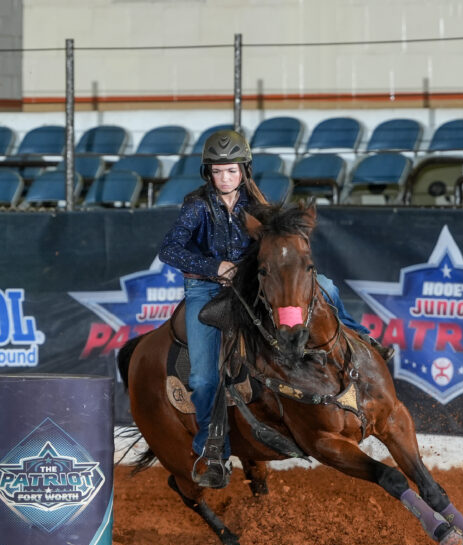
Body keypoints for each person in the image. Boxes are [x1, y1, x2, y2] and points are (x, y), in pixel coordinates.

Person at [158, 129, 390, 488]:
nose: (225, 178)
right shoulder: (196, 206)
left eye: (231, 171)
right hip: (206, 290)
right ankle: (211, 448)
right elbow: (170, 249)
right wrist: (213, 267)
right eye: (218, 172)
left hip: (250, 285)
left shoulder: (255, 204)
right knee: (204, 376)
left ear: (244, 171)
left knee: (325, 286)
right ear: (208, 174)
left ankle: (362, 338)